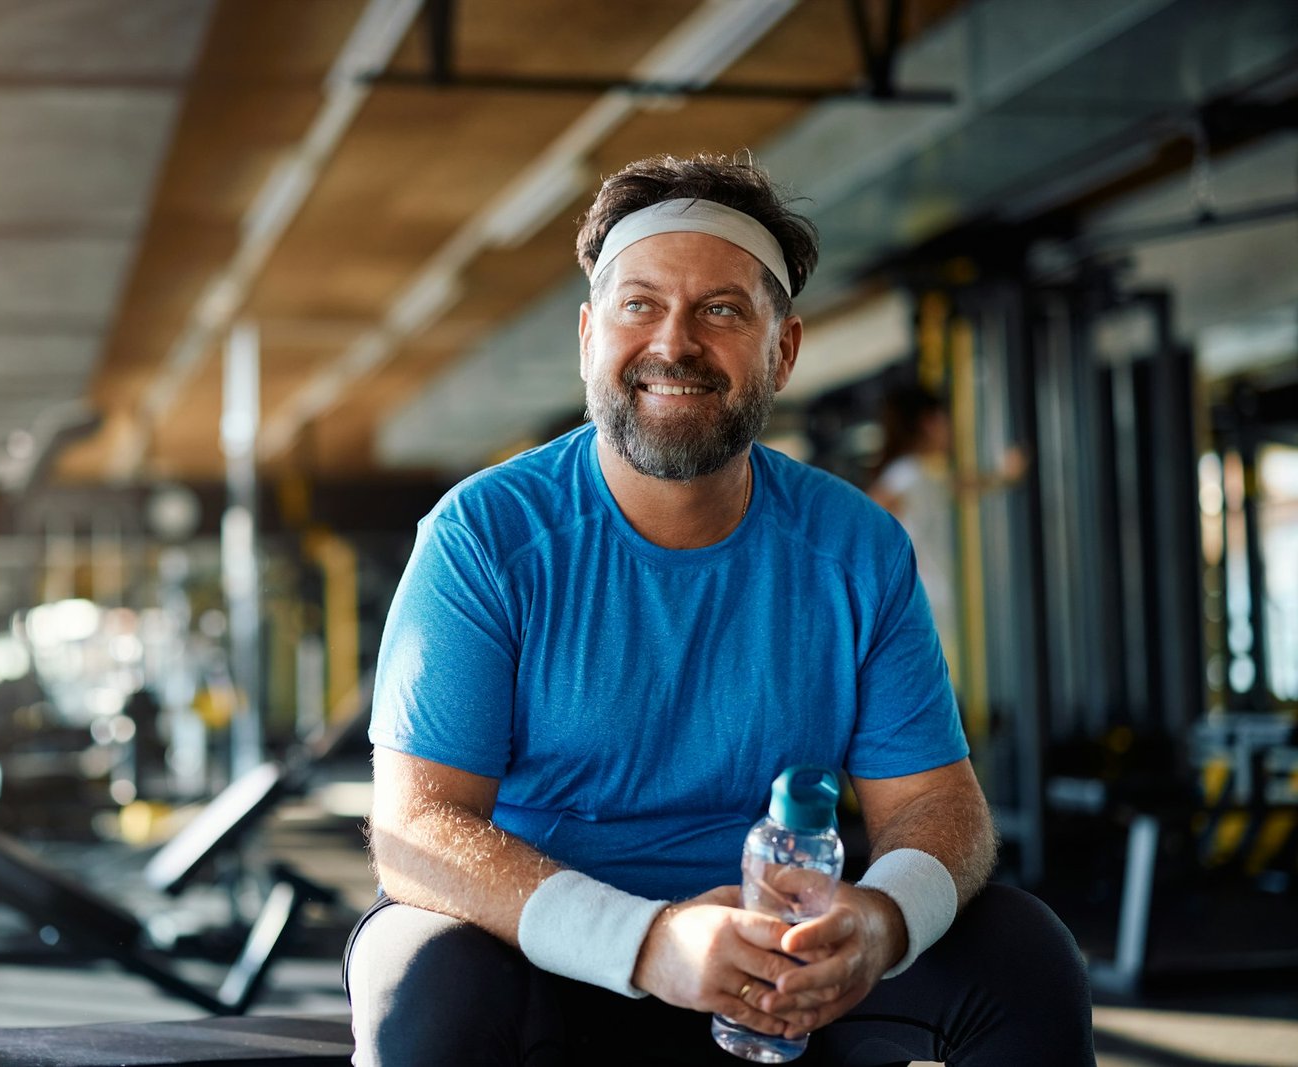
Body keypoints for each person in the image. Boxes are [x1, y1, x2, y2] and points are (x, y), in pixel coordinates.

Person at [345, 153, 1093, 1065]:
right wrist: (647, 942)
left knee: (1023, 950)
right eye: (639, 305)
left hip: (783, 964)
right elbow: (416, 829)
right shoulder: (483, 534)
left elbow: (939, 803)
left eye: (723, 310)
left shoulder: (857, 547)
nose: (674, 343)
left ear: (782, 350)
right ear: (588, 337)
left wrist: (880, 919)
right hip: (545, 954)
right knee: (420, 966)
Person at [868, 384, 1027, 672]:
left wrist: (1004, 476)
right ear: (930, 423)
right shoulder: (906, 477)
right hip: (925, 611)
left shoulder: (921, 474)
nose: (952, 429)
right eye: (946, 419)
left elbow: (962, 485)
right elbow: (863, 521)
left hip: (933, 610)